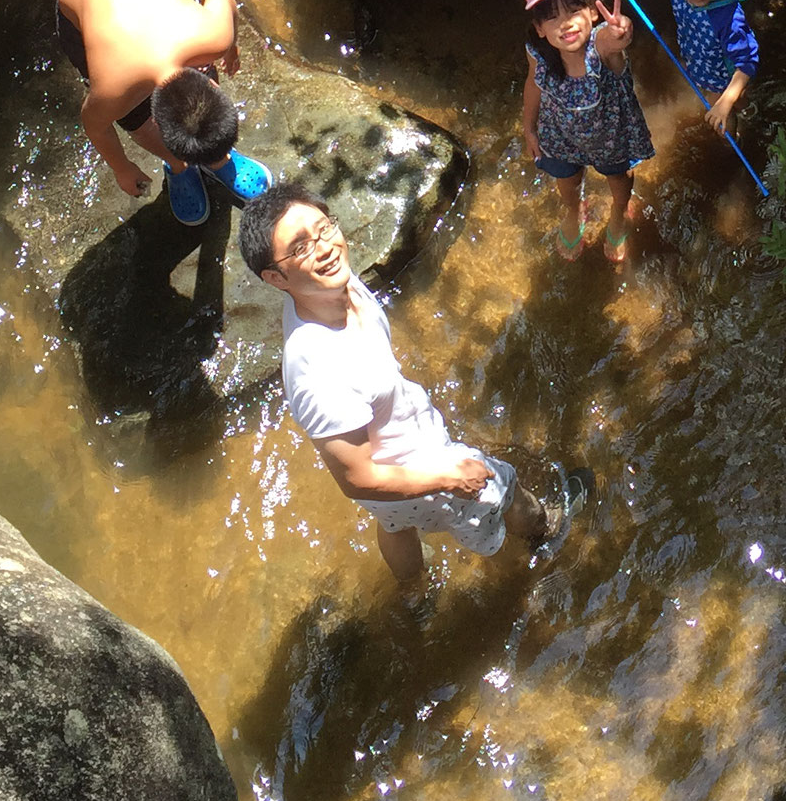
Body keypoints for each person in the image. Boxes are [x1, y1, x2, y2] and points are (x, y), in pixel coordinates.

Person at [239, 183, 577, 587]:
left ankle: (414, 592)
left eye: (324, 228)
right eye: (300, 248)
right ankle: (548, 534)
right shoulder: (317, 370)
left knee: (395, 522)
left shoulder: (335, 287)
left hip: (393, 458)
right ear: (276, 277)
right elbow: (357, 480)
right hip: (411, 470)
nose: (325, 248)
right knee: (501, 484)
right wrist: (449, 478)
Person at [55, 0, 270, 225]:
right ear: (158, 119)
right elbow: (95, 125)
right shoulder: (113, 90)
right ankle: (179, 165)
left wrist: (230, 46)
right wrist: (122, 168)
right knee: (136, 123)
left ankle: (217, 159)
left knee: (201, 69)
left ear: (214, 89)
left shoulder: (214, 36)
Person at [520, 0, 653, 266]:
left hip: (610, 135)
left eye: (573, 12)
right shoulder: (538, 52)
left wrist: (622, 30)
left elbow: (618, 36)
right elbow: (533, 84)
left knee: (619, 178)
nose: (565, 24)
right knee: (566, 180)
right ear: (539, 29)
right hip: (559, 134)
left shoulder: (602, 46)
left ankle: (619, 214)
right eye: (552, 18)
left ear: (593, 11)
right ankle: (573, 210)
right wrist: (529, 128)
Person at [589, 0, 759, 139]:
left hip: (724, 72)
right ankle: (743, 106)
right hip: (700, 58)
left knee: (722, 109)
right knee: (724, 97)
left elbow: (746, 62)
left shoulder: (728, 16)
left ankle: (733, 139)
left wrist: (726, 100)